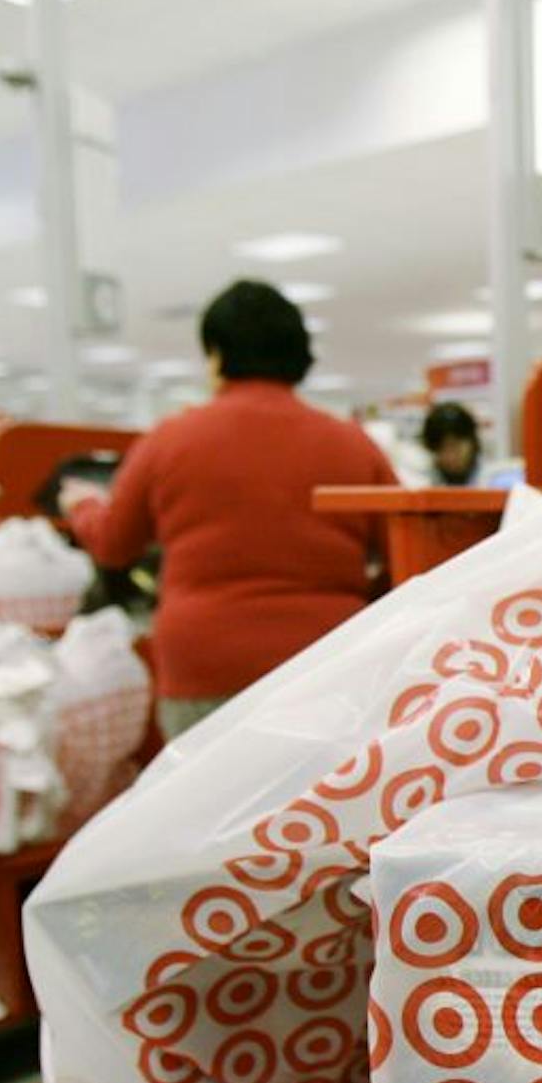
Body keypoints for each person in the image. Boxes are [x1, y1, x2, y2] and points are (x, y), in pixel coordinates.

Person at [59, 280, 397, 740]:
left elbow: (114, 545)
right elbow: (403, 555)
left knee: (208, 807)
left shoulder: (170, 440)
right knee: (324, 805)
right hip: (328, 661)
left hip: (204, 665)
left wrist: (81, 504)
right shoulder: (353, 445)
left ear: (216, 355)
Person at [420, 402, 482, 486]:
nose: (450, 457)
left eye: (455, 447)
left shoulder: (493, 481)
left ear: (473, 442)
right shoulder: (423, 483)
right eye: (442, 449)